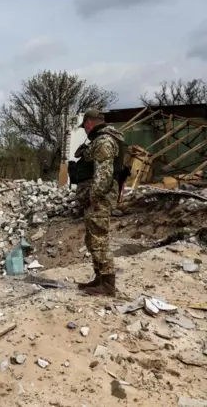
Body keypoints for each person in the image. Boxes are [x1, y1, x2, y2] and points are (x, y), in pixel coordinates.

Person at [74, 109, 125, 297]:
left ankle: (108, 285)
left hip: (100, 199)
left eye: (84, 127)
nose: (85, 131)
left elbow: (104, 175)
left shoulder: (104, 141)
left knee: (99, 240)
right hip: (98, 198)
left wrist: (94, 196)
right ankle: (99, 279)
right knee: (92, 239)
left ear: (88, 123)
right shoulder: (105, 139)